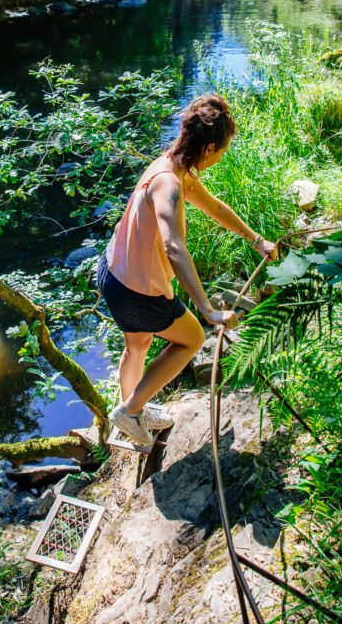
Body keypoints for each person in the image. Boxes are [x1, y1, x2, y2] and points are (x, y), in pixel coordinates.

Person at [96, 94, 278, 447]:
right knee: (192, 338)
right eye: (222, 151)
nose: (221, 157)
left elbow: (214, 207)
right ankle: (132, 412)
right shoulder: (169, 183)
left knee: (138, 346)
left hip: (113, 274)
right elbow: (174, 246)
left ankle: (134, 411)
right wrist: (207, 309)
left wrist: (256, 240)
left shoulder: (171, 166)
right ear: (208, 147)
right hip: (137, 290)